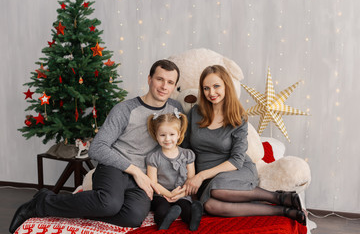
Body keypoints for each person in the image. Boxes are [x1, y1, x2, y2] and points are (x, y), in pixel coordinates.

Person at [9, 59, 184, 233]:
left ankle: (61, 204)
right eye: (160, 79)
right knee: (109, 204)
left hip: (143, 178)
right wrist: (135, 171)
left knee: (133, 218)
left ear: (175, 86)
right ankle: (43, 203)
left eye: (170, 82)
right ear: (149, 79)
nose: (164, 86)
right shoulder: (125, 109)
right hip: (115, 167)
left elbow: (181, 144)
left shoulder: (176, 109)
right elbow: (97, 148)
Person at [182, 65, 307, 226]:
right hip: (207, 176)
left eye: (216, 86)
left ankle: (278, 197)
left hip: (236, 169)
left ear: (226, 86)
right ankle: (283, 209)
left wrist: (201, 176)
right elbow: (185, 149)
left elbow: (236, 160)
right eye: (206, 88)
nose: (211, 93)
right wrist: (191, 177)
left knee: (217, 189)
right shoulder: (195, 113)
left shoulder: (238, 117)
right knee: (211, 206)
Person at [146, 109, 203, 230]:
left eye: (171, 134)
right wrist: (169, 194)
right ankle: (164, 221)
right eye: (162, 135)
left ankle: (193, 219)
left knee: (185, 207)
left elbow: (190, 179)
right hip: (161, 195)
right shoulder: (153, 157)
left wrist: (180, 194)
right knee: (162, 209)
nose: (167, 139)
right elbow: (153, 182)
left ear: (179, 134)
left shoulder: (187, 155)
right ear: (156, 135)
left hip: (182, 193)